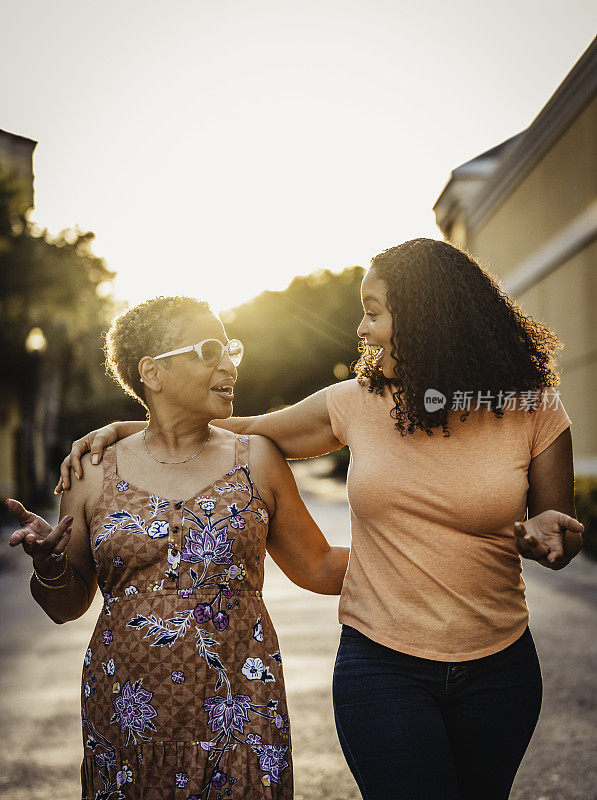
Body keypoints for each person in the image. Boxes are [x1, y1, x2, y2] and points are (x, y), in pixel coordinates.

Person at [57, 239, 584, 800]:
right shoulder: (356, 402)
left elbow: (558, 526)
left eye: (373, 311)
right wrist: (132, 429)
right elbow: (249, 428)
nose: (361, 328)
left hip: (500, 666)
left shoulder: (534, 407)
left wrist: (555, 537)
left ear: (428, 316)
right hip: (383, 662)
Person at [7, 296, 349, 800]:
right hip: (127, 719)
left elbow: (318, 567)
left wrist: (426, 549)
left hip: (240, 717)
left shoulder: (256, 459)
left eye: (231, 349)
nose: (229, 363)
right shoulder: (93, 470)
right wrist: (50, 563)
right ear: (152, 372)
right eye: (209, 349)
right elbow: (68, 604)